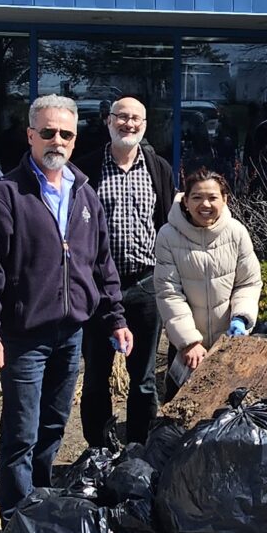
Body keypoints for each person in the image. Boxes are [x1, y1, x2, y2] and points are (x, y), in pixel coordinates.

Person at [0, 94, 132, 516]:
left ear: (75, 141)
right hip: (24, 335)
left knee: (55, 424)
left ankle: (38, 502)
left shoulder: (85, 194)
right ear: (30, 135)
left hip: (71, 332)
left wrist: (115, 318)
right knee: (20, 431)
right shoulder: (4, 195)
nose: (56, 140)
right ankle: (15, 518)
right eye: (47, 132)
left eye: (65, 134)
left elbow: (101, 263)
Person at [79, 93, 174, 448]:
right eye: (121, 117)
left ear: (144, 125)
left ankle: (137, 447)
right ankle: (99, 448)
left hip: (146, 285)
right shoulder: (85, 169)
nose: (128, 124)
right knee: (96, 376)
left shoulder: (157, 167)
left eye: (136, 119)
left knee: (144, 378)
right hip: (98, 288)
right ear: (108, 121)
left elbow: (166, 222)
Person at [155, 167, 262, 384]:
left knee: (228, 409)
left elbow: (248, 282)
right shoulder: (168, 235)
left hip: (229, 343)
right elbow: (169, 293)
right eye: (197, 197)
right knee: (183, 411)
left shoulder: (236, 232)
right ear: (185, 201)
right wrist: (189, 341)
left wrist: (241, 317)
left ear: (225, 200)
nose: (205, 205)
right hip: (188, 349)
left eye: (212, 197)